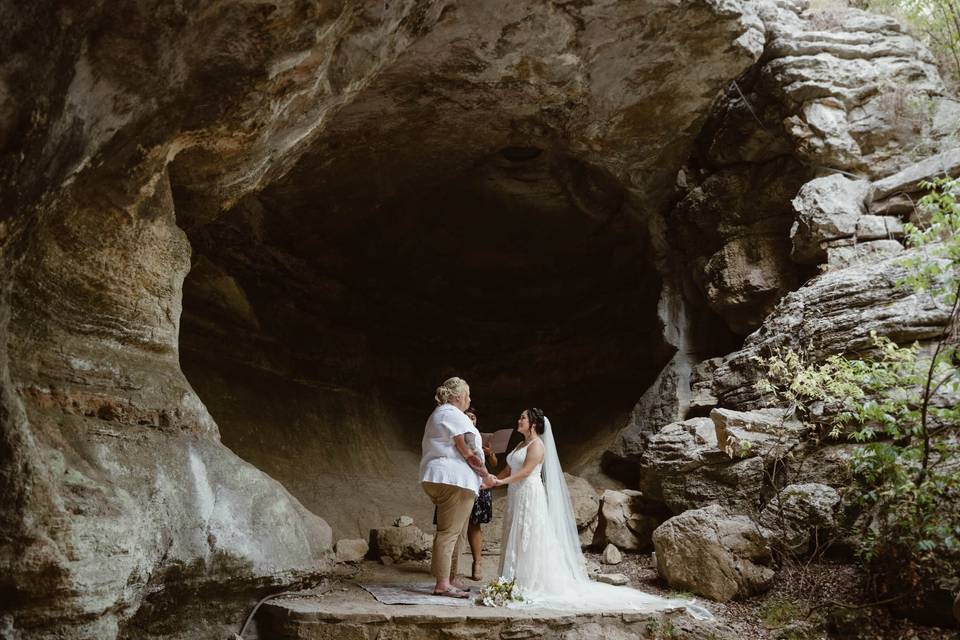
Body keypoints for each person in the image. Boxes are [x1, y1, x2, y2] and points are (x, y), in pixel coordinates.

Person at [490, 408, 712, 619]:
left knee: (530, 535)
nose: (518, 420)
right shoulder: (520, 444)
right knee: (514, 533)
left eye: (522, 418)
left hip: (529, 494)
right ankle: (511, 578)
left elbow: (527, 472)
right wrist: (491, 480)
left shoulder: (537, 446)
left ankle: (529, 581)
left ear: (534, 424)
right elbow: (510, 468)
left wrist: (501, 481)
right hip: (515, 494)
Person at [419, 377, 496, 598]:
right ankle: (443, 583)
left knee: (458, 532)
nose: (469, 399)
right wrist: (486, 475)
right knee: (448, 533)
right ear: (459, 396)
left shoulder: (441, 414)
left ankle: (450, 578)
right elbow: (468, 451)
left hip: (444, 476)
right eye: (468, 395)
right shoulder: (453, 415)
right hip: (453, 479)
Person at [465, 407, 497, 581]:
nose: (471, 419)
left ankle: (477, 563)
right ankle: (447, 568)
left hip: (480, 483)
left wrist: (490, 453)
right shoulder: (458, 435)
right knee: (455, 525)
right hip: (461, 481)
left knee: (475, 524)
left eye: (473, 417)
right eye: (467, 416)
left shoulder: (479, 438)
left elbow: (494, 462)